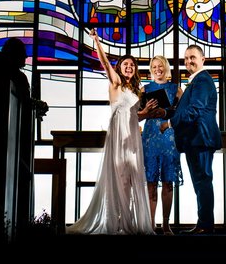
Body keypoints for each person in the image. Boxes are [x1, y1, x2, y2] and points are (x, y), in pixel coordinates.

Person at [66, 29, 159, 235]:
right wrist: (98, 42)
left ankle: (127, 223)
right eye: (126, 64)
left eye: (132, 65)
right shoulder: (115, 83)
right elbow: (105, 64)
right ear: (120, 68)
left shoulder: (137, 91)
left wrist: (147, 111)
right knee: (119, 177)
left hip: (133, 134)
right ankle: (114, 222)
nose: (129, 67)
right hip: (118, 135)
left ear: (135, 70)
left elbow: (137, 116)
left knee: (132, 178)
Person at [163, 44, 221, 235]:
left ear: (203, 59)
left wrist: (169, 123)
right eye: (186, 58)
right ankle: (203, 224)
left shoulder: (203, 80)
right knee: (200, 182)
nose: (189, 61)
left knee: (203, 181)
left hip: (200, 139)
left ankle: (205, 226)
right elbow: (186, 108)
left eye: (193, 57)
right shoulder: (197, 81)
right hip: (195, 140)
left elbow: (194, 110)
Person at [141, 55, 183, 235]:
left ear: (166, 68)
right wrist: (146, 110)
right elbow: (137, 113)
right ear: (151, 69)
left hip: (169, 137)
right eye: (154, 66)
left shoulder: (176, 89)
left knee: (167, 182)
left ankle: (166, 224)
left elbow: (183, 113)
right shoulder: (145, 89)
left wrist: (167, 112)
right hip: (150, 137)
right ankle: (150, 224)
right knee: (151, 182)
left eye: (161, 66)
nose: (158, 69)